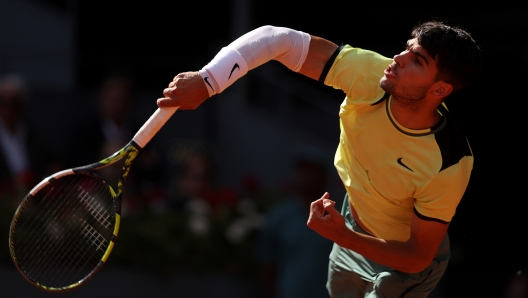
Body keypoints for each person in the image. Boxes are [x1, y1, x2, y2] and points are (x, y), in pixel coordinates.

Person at [157, 21, 482, 297]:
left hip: (402, 268)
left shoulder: (449, 161)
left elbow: (416, 256)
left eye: (418, 60)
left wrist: (343, 236)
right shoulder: (371, 72)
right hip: (351, 229)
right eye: (407, 48)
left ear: (440, 90)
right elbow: (278, 39)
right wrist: (208, 80)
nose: (399, 58)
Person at [256, 147, 335, 298]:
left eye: (314, 171)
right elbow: (266, 263)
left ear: (324, 175)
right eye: (304, 170)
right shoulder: (280, 216)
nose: (308, 175)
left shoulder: (337, 216)